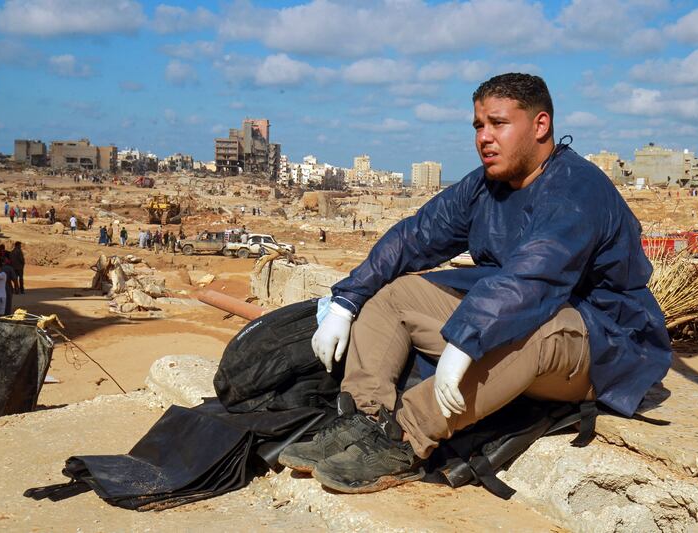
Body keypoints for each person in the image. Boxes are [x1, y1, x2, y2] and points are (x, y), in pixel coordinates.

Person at [279, 73, 672, 494]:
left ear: (540, 126)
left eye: (498, 123)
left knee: (530, 332)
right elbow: (415, 236)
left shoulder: (576, 188)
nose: (484, 137)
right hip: (517, 312)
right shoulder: (486, 186)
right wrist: (347, 301)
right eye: (478, 126)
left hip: (601, 340)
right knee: (394, 295)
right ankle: (364, 420)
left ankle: (403, 441)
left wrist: (467, 340)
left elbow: (534, 277)